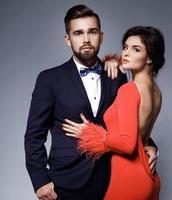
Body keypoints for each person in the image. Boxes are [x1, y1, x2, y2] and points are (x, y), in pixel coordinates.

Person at [24, 4, 158, 200]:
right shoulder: (49, 79)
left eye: (92, 32)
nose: (86, 39)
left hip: (112, 179)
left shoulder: (117, 76)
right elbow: (34, 135)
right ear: (67, 40)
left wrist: (149, 144)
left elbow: (128, 122)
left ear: (101, 36)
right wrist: (40, 180)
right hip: (65, 182)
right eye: (78, 33)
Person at [62, 26, 165, 199]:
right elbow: (139, 134)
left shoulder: (129, 90)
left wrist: (91, 134)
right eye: (125, 47)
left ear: (149, 58)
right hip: (148, 175)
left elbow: (127, 143)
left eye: (135, 49)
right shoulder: (156, 92)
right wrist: (153, 148)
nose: (126, 54)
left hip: (127, 178)